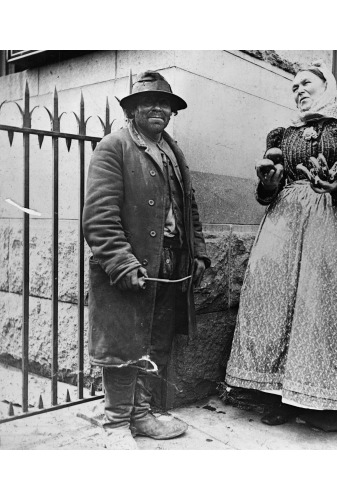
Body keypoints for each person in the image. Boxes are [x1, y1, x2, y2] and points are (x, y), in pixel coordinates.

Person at [225, 60, 337, 426]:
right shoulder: (282, 136)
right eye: (294, 87)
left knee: (326, 307)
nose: (298, 90)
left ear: (327, 85)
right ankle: (276, 395)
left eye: (306, 83)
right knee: (275, 303)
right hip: (284, 230)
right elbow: (268, 192)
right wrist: (269, 183)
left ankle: (329, 398)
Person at [83, 71, 210, 449]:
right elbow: (99, 218)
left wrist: (198, 251)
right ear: (132, 110)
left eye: (165, 104)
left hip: (168, 266)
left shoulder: (173, 151)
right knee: (124, 342)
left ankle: (140, 413)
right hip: (131, 268)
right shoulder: (114, 147)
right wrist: (122, 265)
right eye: (148, 103)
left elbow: (190, 209)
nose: (158, 109)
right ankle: (119, 421)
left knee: (154, 340)